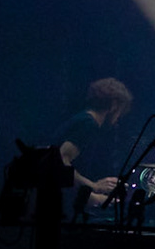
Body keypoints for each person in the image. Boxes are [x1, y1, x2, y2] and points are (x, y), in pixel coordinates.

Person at [52, 77, 132, 207]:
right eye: (120, 111)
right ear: (114, 105)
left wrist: (92, 189)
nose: (118, 118)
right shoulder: (88, 124)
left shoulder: (83, 120)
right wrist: (94, 189)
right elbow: (60, 160)